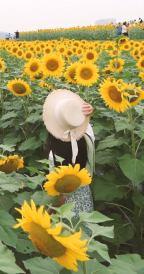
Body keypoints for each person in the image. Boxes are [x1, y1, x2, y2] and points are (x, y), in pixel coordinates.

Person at [42, 89, 95, 235]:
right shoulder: (87, 139)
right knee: (85, 239)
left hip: (67, 211)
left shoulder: (56, 154)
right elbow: (87, 127)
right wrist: (86, 112)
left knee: (67, 241)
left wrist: (49, 216)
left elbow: (62, 195)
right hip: (85, 199)